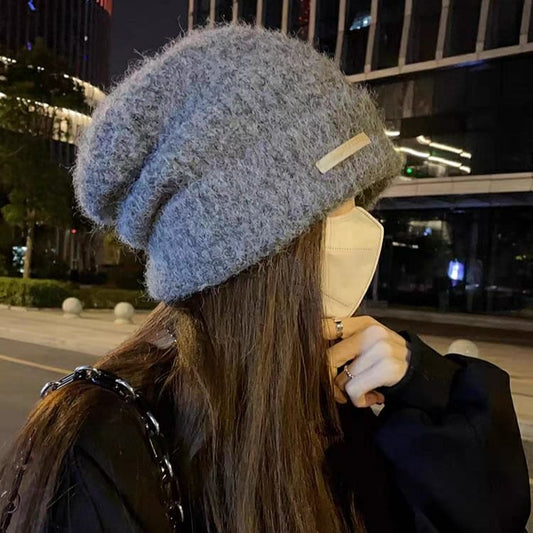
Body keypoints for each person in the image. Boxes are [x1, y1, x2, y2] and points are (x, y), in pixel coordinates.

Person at [0, 22, 529, 533]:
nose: (365, 227)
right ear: (255, 248)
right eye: (339, 203)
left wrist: (424, 387)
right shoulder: (103, 451)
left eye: (361, 201)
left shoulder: (345, 395)